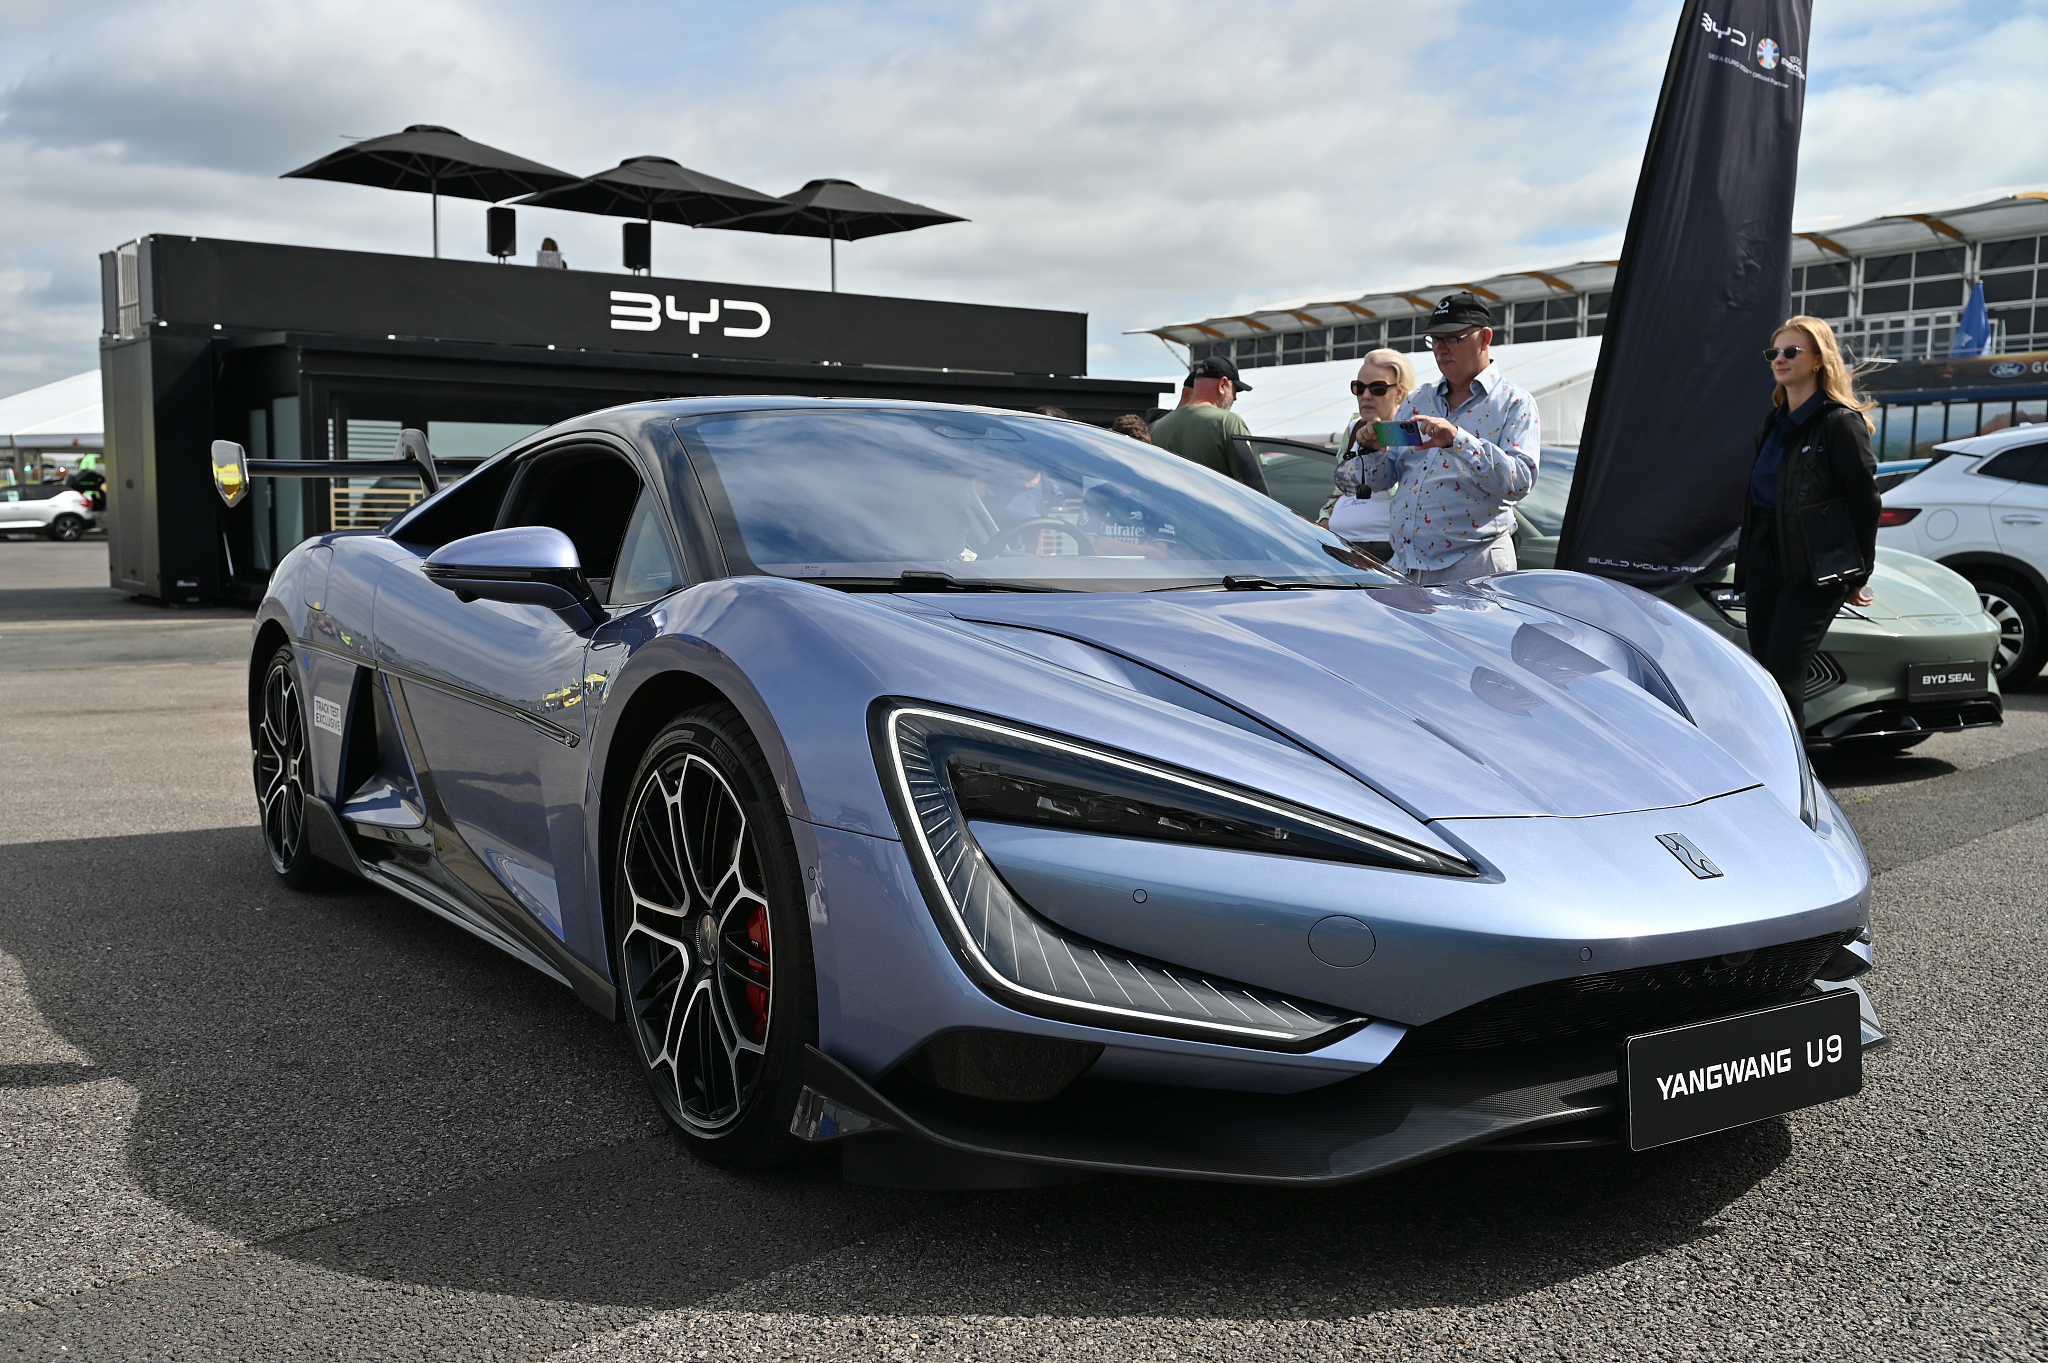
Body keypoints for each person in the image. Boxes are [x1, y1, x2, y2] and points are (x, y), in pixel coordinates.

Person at [1735, 315, 1880, 733]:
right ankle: (1773, 771)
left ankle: (1799, 785)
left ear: (1818, 359)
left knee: (1784, 673)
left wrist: (1859, 573)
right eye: (1774, 352)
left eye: (1791, 351)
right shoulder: (1774, 422)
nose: (1779, 359)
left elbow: (1865, 500)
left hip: (1814, 565)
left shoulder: (1839, 422)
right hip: (1766, 554)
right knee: (1765, 673)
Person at [1340, 291, 1538, 584]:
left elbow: (1519, 482)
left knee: (1475, 633)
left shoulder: (1514, 403)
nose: (1442, 349)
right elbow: (1383, 479)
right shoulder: (1417, 401)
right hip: (1408, 564)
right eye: (1435, 340)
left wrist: (1458, 440)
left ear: (1485, 338)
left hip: (1474, 563)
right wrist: (1373, 451)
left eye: (1453, 338)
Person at [1317, 348, 1416, 562]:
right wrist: (1324, 519)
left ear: (1399, 392)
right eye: (1359, 388)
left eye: (1377, 388)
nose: (1365, 396)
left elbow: (1411, 492)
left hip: (1387, 553)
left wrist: (1380, 452)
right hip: (1341, 545)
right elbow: (1341, 486)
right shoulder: (1354, 427)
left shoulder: (1407, 431)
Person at [1149, 355, 1253, 478]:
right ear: (1222, 384)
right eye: (1234, 391)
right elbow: (1252, 481)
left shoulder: (1155, 428)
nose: (1234, 398)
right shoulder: (1228, 422)